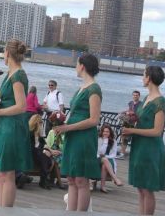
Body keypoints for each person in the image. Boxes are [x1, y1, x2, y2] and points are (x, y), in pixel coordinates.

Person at [0, 39, 31, 208]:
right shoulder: (11, 73)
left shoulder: (18, 75)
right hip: (5, 125)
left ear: (8, 53)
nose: (3, 55)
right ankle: (0, 209)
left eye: (4, 52)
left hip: (12, 126)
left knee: (8, 172)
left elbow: (21, 106)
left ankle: (5, 211)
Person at [54, 53, 102, 212]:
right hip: (73, 136)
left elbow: (94, 119)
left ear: (83, 66)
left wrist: (68, 127)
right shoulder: (82, 88)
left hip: (84, 137)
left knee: (81, 179)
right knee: (71, 178)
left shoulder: (94, 89)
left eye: (77, 64)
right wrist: (63, 125)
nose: (75, 67)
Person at [123, 66, 165, 216]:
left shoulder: (160, 101)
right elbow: (141, 120)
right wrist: (130, 118)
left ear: (149, 78)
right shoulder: (146, 99)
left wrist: (132, 130)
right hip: (140, 146)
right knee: (141, 188)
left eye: (143, 75)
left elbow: (157, 131)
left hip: (150, 149)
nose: (142, 78)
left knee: (148, 189)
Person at [28, 114, 53, 189]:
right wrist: (44, 151)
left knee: (45, 156)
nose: (42, 125)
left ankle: (44, 180)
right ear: (36, 123)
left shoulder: (39, 136)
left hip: (38, 155)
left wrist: (50, 151)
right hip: (31, 154)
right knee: (44, 156)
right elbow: (32, 148)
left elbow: (44, 145)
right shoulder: (30, 134)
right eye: (41, 123)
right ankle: (44, 180)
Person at [96, 124, 123, 192]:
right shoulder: (99, 140)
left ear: (110, 132)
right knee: (104, 160)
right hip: (97, 158)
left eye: (107, 131)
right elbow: (96, 151)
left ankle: (102, 186)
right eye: (104, 131)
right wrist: (101, 155)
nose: (105, 133)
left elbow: (113, 154)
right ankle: (115, 179)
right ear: (102, 132)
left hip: (108, 159)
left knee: (105, 165)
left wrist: (105, 156)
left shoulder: (113, 141)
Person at [119, 89, 142, 157]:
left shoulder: (141, 104)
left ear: (139, 96)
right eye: (134, 95)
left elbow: (139, 113)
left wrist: (131, 113)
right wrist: (123, 112)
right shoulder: (130, 103)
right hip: (128, 123)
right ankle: (122, 153)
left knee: (136, 140)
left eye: (136, 95)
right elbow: (129, 110)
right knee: (124, 138)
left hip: (136, 123)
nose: (135, 96)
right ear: (132, 96)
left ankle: (135, 154)